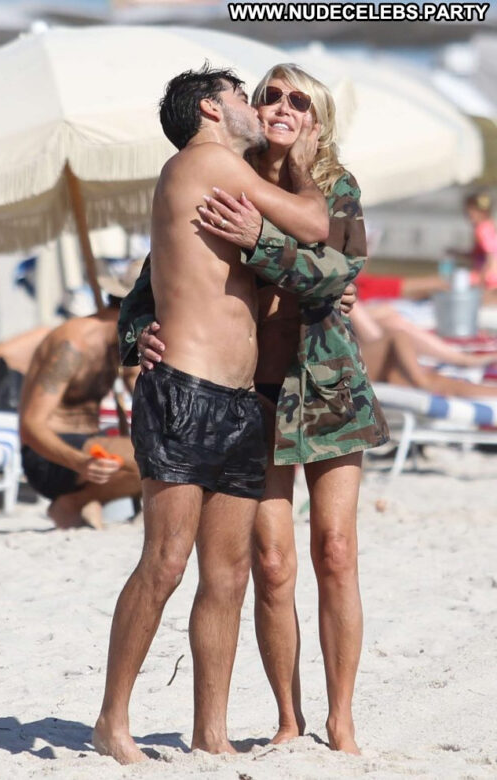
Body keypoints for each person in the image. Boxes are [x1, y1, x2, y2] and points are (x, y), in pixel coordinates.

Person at [118, 63, 388, 757]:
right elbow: (154, 278)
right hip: (249, 392)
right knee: (268, 562)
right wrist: (138, 333)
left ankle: (342, 720)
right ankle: (288, 719)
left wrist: (261, 240)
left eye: (300, 100)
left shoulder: (334, 183)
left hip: (324, 386)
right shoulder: (222, 172)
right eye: (269, 95)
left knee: (335, 550)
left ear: (317, 119)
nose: (281, 106)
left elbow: (339, 271)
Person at [19, 266, 142, 530]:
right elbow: (30, 425)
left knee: (170, 451)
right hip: (50, 457)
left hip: (89, 448)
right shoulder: (73, 346)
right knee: (157, 455)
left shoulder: (122, 342)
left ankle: (79, 502)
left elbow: (139, 389)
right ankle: (75, 502)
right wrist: (80, 462)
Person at [350, 301, 497, 398]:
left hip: (359, 369)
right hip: (357, 373)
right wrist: (421, 380)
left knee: (432, 380)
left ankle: (463, 362)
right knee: (428, 380)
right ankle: (462, 361)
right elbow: (397, 336)